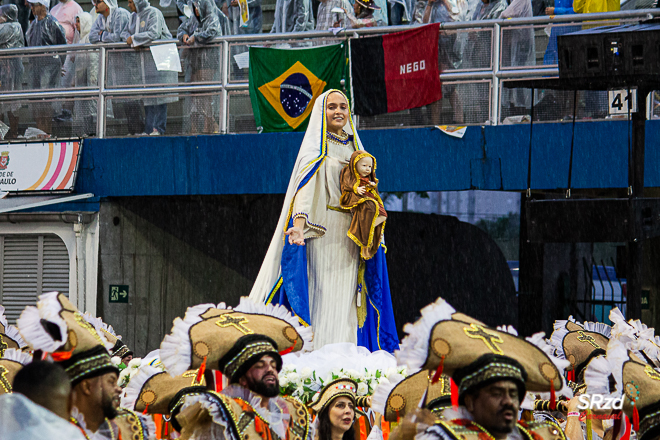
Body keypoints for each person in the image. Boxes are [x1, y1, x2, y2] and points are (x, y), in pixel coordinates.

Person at [248, 90, 398, 353]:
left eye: (343, 107)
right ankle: (317, 358)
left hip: (351, 235)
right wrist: (298, 222)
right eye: (332, 107)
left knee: (349, 301)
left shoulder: (356, 150)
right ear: (321, 113)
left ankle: (344, 360)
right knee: (323, 296)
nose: (339, 111)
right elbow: (304, 191)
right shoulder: (316, 151)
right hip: (323, 232)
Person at [159, 299, 313, 440]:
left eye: (274, 364)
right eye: (260, 365)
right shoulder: (221, 414)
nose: (270, 369)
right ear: (242, 378)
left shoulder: (293, 412)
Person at [17, 291, 156, 440]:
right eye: (110, 381)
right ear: (87, 386)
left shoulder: (129, 426)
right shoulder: (47, 433)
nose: (118, 389)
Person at [121, 0, 178, 136]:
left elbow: (154, 33)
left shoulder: (154, 13)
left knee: (160, 95)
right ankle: (149, 129)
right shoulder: (133, 17)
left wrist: (134, 38)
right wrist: (130, 39)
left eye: (130, 2)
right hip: (146, 61)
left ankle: (158, 128)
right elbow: (124, 33)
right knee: (148, 95)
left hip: (161, 59)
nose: (128, 5)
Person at [178, 0, 228, 133]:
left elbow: (213, 31)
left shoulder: (213, 18)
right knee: (195, 94)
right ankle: (198, 126)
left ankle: (210, 124)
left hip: (209, 61)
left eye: (198, 7)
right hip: (195, 62)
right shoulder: (193, 20)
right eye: (194, 7)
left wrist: (196, 37)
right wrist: (184, 35)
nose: (196, 10)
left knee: (206, 93)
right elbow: (182, 28)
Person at [25, 0, 66, 135]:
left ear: (42, 6)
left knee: (46, 101)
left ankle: (47, 132)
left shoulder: (52, 23)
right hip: (35, 67)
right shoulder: (33, 25)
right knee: (36, 101)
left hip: (49, 66)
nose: (31, 8)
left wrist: (60, 64)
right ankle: (39, 131)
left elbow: (62, 45)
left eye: (34, 5)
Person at [339, 150, 387, 260]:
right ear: (355, 164)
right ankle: (365, 241)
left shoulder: (367, 177)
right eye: (364, 165)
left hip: (368, 197)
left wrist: (371, 185)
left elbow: (370, 188)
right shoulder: (348, 171)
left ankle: (368, 228)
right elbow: (347, 184)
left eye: (370, 167)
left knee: (383, 214)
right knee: (370, 207)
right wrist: (356, 188)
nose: (367, 169)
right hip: (356, 197)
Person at [71, 12, 97, 136]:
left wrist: (92, 76)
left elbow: (93, 59)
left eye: (79, 21)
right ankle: (87, 130)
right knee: (84, 106)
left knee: (91, 106)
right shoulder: (81, 40)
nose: (76, 25)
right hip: (82, 77)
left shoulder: (89, 39)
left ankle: (93, 131)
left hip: (89, 77)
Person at [0, 4, 24, 139]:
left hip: (12, 71)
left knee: (12, 103)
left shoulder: (13, 27)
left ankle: (13, 133)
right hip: (3, 70)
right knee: (2, 103)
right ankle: (2, 133)